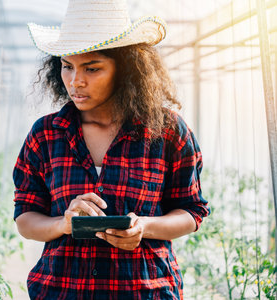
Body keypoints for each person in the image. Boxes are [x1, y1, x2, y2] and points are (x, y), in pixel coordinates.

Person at [12, 0, 210, 299]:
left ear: (127, 68)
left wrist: (143, 227)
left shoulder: (167, 132)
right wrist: (63, 224)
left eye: (92, 68)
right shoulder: (46, 135)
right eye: (67, 66)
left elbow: (191, 212)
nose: (75, 81)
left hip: (144, 291)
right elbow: (26, 219)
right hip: (62, 290)